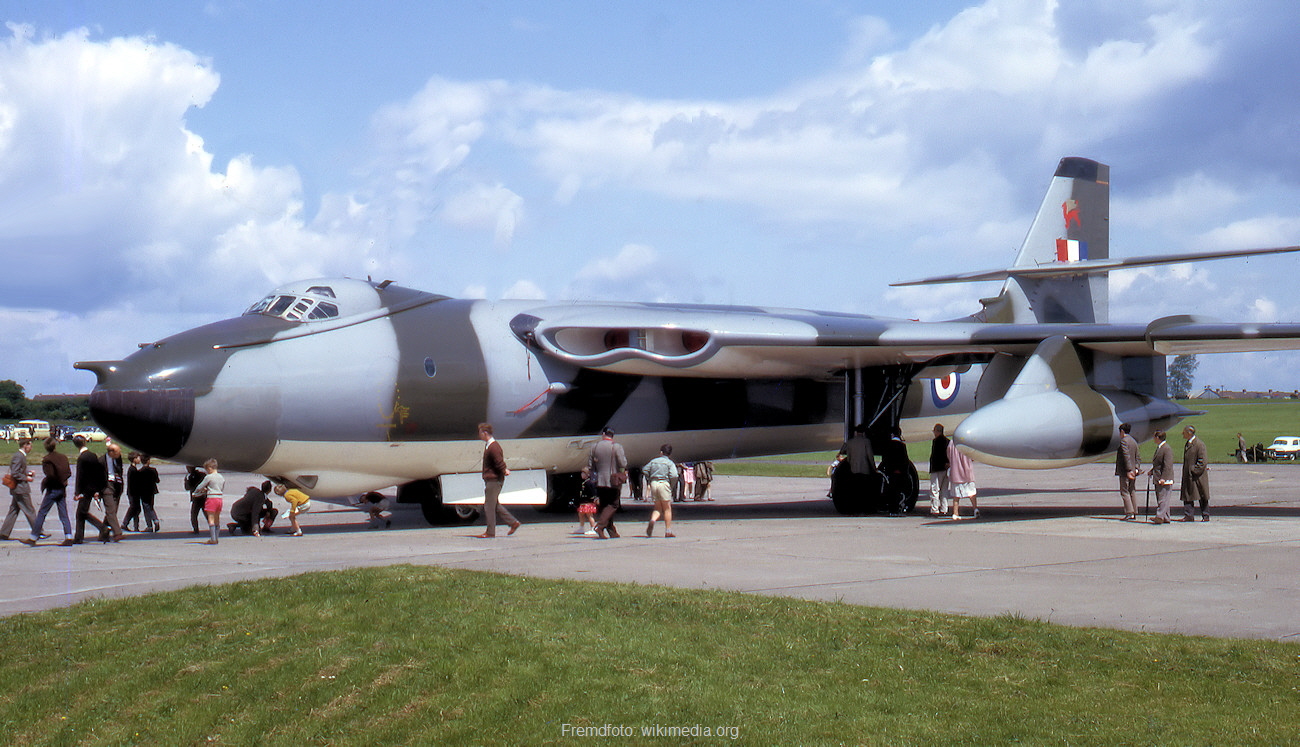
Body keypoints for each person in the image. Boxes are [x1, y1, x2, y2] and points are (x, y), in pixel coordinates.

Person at [22, 437, 71, 545]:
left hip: (53, 489)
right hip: (62, 489)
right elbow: (68, 472)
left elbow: (50, 475)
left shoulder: (47, 459)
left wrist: (46, 482)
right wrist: (63, 481)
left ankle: (34, 537)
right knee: (63, 513)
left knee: (42, 513)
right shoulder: (63, 457)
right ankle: (68, 536)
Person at [476, 422, 520, 538]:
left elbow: (499, 461)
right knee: (494, 504)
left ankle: (490, 532)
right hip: (492, 479)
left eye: (480, 433)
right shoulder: (489, 445)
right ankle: (513, 523)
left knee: (489, 506)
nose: (479, 435)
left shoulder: (493, 447)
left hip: (494, 480)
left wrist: (504, 470)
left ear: (485, 433)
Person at [589, 427, 627, 539]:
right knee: (614, 504)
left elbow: (591, 464)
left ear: (603, 434)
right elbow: (623, 463)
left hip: (599, 480)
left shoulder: (594, 446)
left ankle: (611, 531)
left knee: (605, 505)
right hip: (613, 480)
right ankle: (600, 526)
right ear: (612, 435)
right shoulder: (616, 447)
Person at [70, 435, 110, 544]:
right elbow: (99, 472)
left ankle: (101, 528)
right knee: (81, 513)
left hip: (85, 489)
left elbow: (80, 476)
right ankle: (79, 536)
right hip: (93, 487)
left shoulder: (81, 458)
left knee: (81, 513)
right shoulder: (93, 456)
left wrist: (77, 492)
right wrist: (98, 489)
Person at [1, 438, 37, 541]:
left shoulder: (20, 456)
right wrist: (27, 478)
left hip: (17, 489)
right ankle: (38, 531)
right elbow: (15, 473)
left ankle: (4, 533)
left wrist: (28, 472)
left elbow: (19, 470)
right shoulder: (19, 456)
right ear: (25, 445)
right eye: (30, 445)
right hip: (20, 489)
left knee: (13, 511)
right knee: (29, 510)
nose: (31, 448)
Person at [644, 444, 679, 537]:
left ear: (661, 452)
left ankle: (653, 520)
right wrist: (671, 484)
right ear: (670, 454)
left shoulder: (653, 461)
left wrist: (650, 479)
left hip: (654, 483)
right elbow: (674, 475)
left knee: (657, 507)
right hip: (664, 483)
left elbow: (645, 470)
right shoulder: (670, 463)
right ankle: (668, 531)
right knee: (667, 508)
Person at [123, 452, 161, 532]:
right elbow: (157, 480)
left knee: (142, 508)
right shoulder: (152, 470)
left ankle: (145, 526)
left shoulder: (139, 471)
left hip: (141, 493)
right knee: (147, 507)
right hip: (148, 492)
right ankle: (151, 523)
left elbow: (138, 483)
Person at [1180, 425, 1210, 522]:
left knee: (1202, 495)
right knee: (1188, 495)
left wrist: (1194, 470)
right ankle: (1189, 515)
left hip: (1198, 477)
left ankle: (1205, 515)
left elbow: (1203, 461)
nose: (1182, 434)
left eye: (1184, 432)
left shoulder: (1199, 444)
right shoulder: (1188, 444)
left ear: (1189, 433)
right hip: (1189, 476)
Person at [193, 458, 225, 544]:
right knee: (217, 519)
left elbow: (200, 486)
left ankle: (213, 539)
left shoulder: (209, 477)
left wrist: (195, 493)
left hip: (211, 498)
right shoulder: (221, 477)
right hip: (219, 498)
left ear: (210, 468)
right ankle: (217, 538)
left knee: (211, 519)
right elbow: (220, 488)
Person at [100, 442, 127, 539]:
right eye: (118, 452)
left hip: (117, 486)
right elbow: (97, 477)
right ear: (111, 452)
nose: (120, 453)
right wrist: (97, 492)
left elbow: (120, 470)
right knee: (110, 510)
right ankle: (117, 533)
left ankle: (103, 534)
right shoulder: (101, 461)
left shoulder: (118, 459)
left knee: (112, 511)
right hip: (106, 486)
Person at [1148, 430, 1175, 524]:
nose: (1153, 439)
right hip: (1158, 477)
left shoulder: (1166, 449)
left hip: (1164, 479)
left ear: (1158, 438)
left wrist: (1164, 477)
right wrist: (1152, 471)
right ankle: (1166, 517)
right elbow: (1158, 464)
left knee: (1163, 499)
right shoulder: (1160, 448)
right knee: (1162, 498)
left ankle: (1159, 516)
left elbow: (1168, 465)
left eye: (1154, 437)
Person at [947, 439, 978, 519]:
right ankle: (975, 509)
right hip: (967, 472)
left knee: (956, 495)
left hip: (956, 472)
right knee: (971, 492)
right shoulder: (968, 442)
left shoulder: (952, 442)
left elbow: (948, 454)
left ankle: (955, 513)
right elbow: (973, 456)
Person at [1115, 423, 1140, 520]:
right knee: (1132, 490)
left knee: (1124, 491)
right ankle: (1134, 510)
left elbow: (1126, 457)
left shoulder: (1124, 441)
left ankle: (1130, 512)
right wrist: (1136, 469)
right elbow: (1137, 456)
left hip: (1126, 471)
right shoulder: (1133, 441)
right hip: (1134, 470)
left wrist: (1129, 470)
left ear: (1122, 431)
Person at [928, 424, 951, 516]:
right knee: (944, 489)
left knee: (935, 489)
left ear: (937, 431)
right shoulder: (947, 441)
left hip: (937, 468)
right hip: (946, 468)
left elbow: (935, 456)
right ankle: (944, 508)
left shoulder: (936, 441)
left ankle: (935, 509)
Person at [184, 465, 207, 534]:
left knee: (194, 515)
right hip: (204, 497)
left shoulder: (190, 477)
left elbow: (187, 488)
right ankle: (213, 527)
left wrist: (186, 481)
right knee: (207, 514)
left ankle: (196, 529)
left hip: (196, 498)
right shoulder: (202, 474)